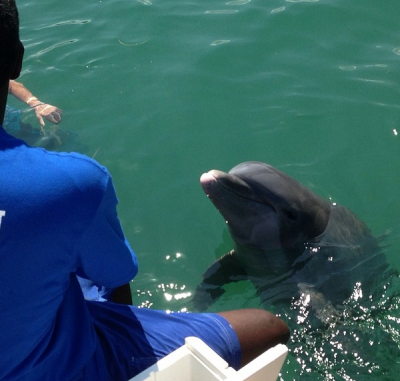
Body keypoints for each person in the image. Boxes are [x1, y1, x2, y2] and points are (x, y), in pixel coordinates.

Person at [0, 1, 290, 380]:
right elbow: (115, 277)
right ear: (16, 60)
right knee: (270, 329)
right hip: (52, 367)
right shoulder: (72, 183)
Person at [4, 79, 66, 147]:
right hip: (10, 141)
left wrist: (35, 103)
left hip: (16, 124)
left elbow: (10, 85)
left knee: (62, 137)